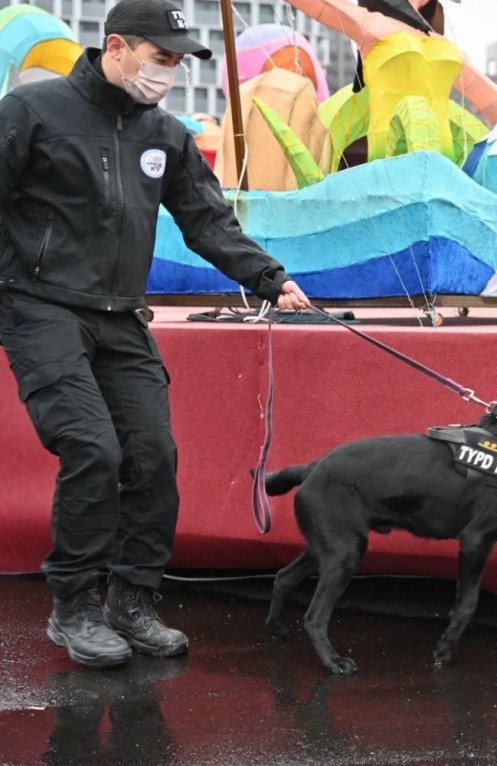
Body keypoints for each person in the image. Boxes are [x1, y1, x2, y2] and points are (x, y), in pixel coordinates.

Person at [0, 0, 310, 669]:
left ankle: (132, 603)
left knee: (155, 457)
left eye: (176, 61)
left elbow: (206, 220)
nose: (168, 71)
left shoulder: (164, 134)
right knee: (91, 449)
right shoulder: (32, 112)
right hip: (40, 308)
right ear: (117, 47)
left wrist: (268, 276)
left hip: (121, 316)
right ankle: (75, 607)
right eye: (161, 57)